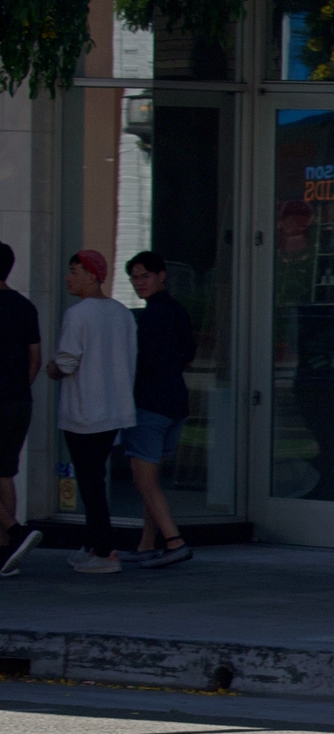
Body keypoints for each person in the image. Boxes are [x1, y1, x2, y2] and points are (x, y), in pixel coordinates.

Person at [49, 249, 137, 575]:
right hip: (114, 409)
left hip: (84, 411)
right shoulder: (122, 313)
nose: (69, 277)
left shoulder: (78, 315)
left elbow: (67, 360)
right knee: (95, 478)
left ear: (92, 275)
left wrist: (53, 368)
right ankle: (92, 545)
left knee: (90, 483)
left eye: (74, 271)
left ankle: (105, 550)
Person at [122, 251, 195, 567]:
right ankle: (146, 543)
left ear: (161, 275)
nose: (140, 283)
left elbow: (140, 362)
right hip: (175, 404)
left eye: (145, 276)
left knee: (144, 482)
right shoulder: (176, 310)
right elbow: (188, 352)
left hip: (150, 405)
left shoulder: (152, 316)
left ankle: (174, 540)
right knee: (152, 480)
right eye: (135, 278)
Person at [0, 243, 44, 576]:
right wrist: (19, 388)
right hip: (19, 402)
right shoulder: (25, 307)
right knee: (4, 473)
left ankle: (16, 532)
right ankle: (7, 554)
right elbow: (35, 359)